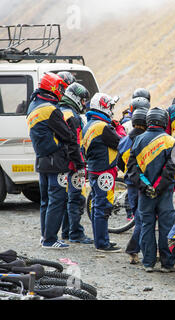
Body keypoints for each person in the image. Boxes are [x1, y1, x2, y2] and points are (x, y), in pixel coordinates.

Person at [26, 72, 81, 249]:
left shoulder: (33, 105)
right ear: (51, 87)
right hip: (56, 161)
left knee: (45, 201)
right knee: (57, 199)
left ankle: (45, 237)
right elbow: (67, 135)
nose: (61, 91)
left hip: (41, 159)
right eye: (59, 87)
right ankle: (50, 239)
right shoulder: (50, 109)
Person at [127, 107, 175, 272]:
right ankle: (167, 264)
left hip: (145, 193)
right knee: (166, 228)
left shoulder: (137, 140)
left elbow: (132, 169)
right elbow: (170, 169)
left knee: (147, 226)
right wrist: (158, 187)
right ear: (164, 121)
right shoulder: (171, 141)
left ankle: (148, 263)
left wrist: (147, 186)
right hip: (164, 193)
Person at [82, 93, 123, 252]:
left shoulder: (89, 124)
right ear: (103, 107)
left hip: (95, 168)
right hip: (104, 170)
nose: (112, 109)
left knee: (99, 205)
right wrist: (119, 128)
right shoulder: (102, 126)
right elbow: (121, 142)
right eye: (110, 106)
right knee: (102, 206)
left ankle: (102, 240)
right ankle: (102, 243)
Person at [57, 82, 93, 245]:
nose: (84, 103)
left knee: (67, 198)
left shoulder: (61, 110)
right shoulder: (73, 116)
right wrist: (80, 164)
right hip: (72, 163)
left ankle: (66, 231)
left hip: (61, 161)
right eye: (83, 100)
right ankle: (76, 233)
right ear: (76, 98)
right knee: (75, 198)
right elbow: (75, 143)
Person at [117, 108, 148, 264]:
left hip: (130, 183)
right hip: (142, 183)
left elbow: (119, 162)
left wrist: (128, 174)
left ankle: (139, 250)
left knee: (138, 217)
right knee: (143, 219)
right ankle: (133, 249)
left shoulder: (124, 140)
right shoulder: (144, 140)